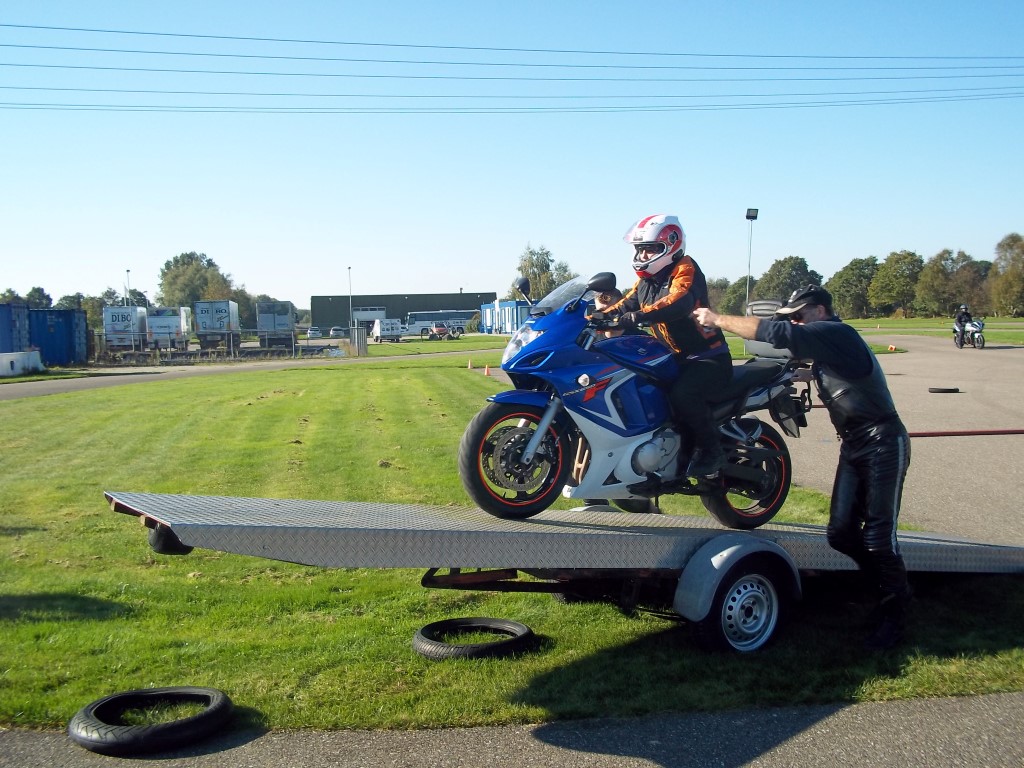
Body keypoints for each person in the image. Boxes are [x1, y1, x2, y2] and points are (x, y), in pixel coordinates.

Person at [693, 285, 912, 650]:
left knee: (878, 536)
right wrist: (803, 376)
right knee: (840, 533)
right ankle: (881, 587)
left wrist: (716, 319)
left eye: (799, 315)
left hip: (883, 442)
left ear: (820, 311)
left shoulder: (836, 332)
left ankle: (896, 610)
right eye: (791, 316)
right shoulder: (828, 347)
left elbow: (776, 333)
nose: (794, 321)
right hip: (855, 445)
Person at [604, 214, 732, 479]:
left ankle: (713, 451)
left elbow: (679, 300)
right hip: (673, 358)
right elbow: (626, 303)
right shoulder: (646, 281)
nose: (642, 255)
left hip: (707, 358)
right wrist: (594, 317)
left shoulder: (685, 268)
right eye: (640, 249)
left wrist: (640, 316)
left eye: (650, 248)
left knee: (683, 394)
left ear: (671, 245)